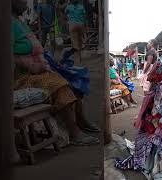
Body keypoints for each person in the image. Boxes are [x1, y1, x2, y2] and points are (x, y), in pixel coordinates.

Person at [12, 0, 100, 146]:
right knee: (60, 85)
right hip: (22, 77)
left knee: (74, 79)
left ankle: (81, 121)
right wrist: (31, 65)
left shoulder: (19, 21)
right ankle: (75, 133)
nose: (25, 4)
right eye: (21, 1)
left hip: (37, 70)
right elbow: (6, 55)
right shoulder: (7, 25)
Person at [65, 0, 87, 66]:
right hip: (81, 25)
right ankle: (80, 59)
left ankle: (76, 61)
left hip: (72, 25)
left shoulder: (69, 6)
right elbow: (85, 16)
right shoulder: (81, 7)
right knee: (80, 42)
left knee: (75, 44)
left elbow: (65, 12)